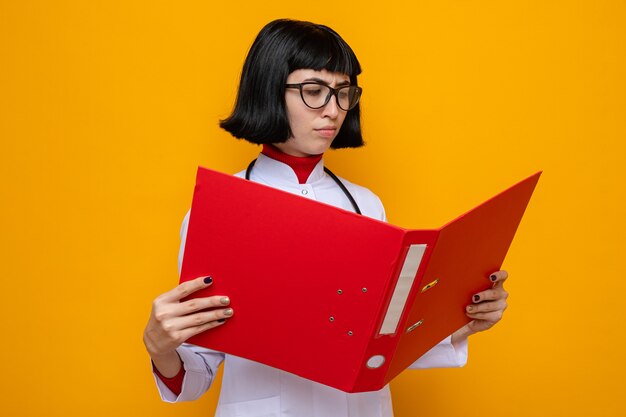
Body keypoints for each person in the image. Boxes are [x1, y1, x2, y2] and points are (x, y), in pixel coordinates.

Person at [143, 19, 509, 417]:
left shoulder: (368, 206)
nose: (333, 111)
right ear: (269, 90)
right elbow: (199, 369)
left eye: (344, 93)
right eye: (314, 91)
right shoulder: (216, 213)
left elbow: (377, 347)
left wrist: (462, 321)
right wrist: (161, 348)